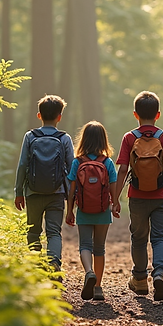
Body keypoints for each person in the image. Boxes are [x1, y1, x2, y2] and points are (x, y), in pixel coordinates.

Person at [113, 90, 163, 301]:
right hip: (161, 196)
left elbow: (123, 170)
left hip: (137, 195)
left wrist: (114, 199)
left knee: (139, 238)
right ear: (158, 115)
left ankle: (140, 280)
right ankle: (160, 273)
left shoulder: (129, 137)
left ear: (136, 114)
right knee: (160, 237)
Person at [14, 95, 75, 276]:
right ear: (60, 116)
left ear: (39, 115)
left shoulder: (30, 136)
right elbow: (72, 168)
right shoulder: (64, 138)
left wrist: (19, 191)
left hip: (32, 192)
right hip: (57, 192)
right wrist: (73, 195)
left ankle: (35, 266)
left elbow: (23, 165)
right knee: (54, 232)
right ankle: (54, 262)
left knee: (33, 231)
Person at [66, 121, 120, 301]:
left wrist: (69, 211)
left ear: (84, 140)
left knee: (85, 245)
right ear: (103, 140)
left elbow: (71, 189)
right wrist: (115, 204)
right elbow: (113, 186)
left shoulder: (77, 162)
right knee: (99, 248)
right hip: (103, 210)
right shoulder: (108, 162)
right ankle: (97, 287)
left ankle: (89, 272)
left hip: (83, 210)